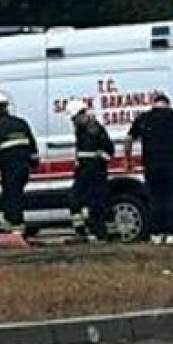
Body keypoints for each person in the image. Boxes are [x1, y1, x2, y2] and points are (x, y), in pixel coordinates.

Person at [124, 92, 173, 245]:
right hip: (171, 164)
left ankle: (156, 234)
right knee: (171, 197)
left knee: (154, 198)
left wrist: (128, 159)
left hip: (151, 164)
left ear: (154, 103)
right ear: (167, 103)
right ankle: (171, 234)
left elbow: (128, 139)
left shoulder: (143, 118)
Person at [0, 94, 39, 236]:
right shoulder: (21, 123)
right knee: (13, 195)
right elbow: (32, 144)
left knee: (12, 197)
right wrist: (34, 161)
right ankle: (7, 225)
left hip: (9, 168)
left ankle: (17, 228)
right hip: (23, 167)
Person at [65, 100, 113, 242]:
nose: (73, 121)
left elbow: (108, 151)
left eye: (74, 118)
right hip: (83, 171)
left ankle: (100, 234)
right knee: (74, 200)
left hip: (95, 173)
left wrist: (100, 158)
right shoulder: (81, 129)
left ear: (81, 115)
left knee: (96, 204)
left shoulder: (95, 129)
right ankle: (81, 232)